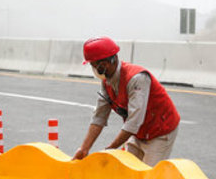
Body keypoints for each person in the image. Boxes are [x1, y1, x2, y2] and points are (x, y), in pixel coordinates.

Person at [72, 36, 180, 167]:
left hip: (160, 131)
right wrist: (84, 149)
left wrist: (110, 149)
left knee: (149, 176)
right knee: (129, 172)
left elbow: (134, 122)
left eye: (95, 66)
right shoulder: (107, 81)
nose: (94, 70)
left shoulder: (137, 79)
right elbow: (99, 117)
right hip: (139, 132)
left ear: (107, 63)